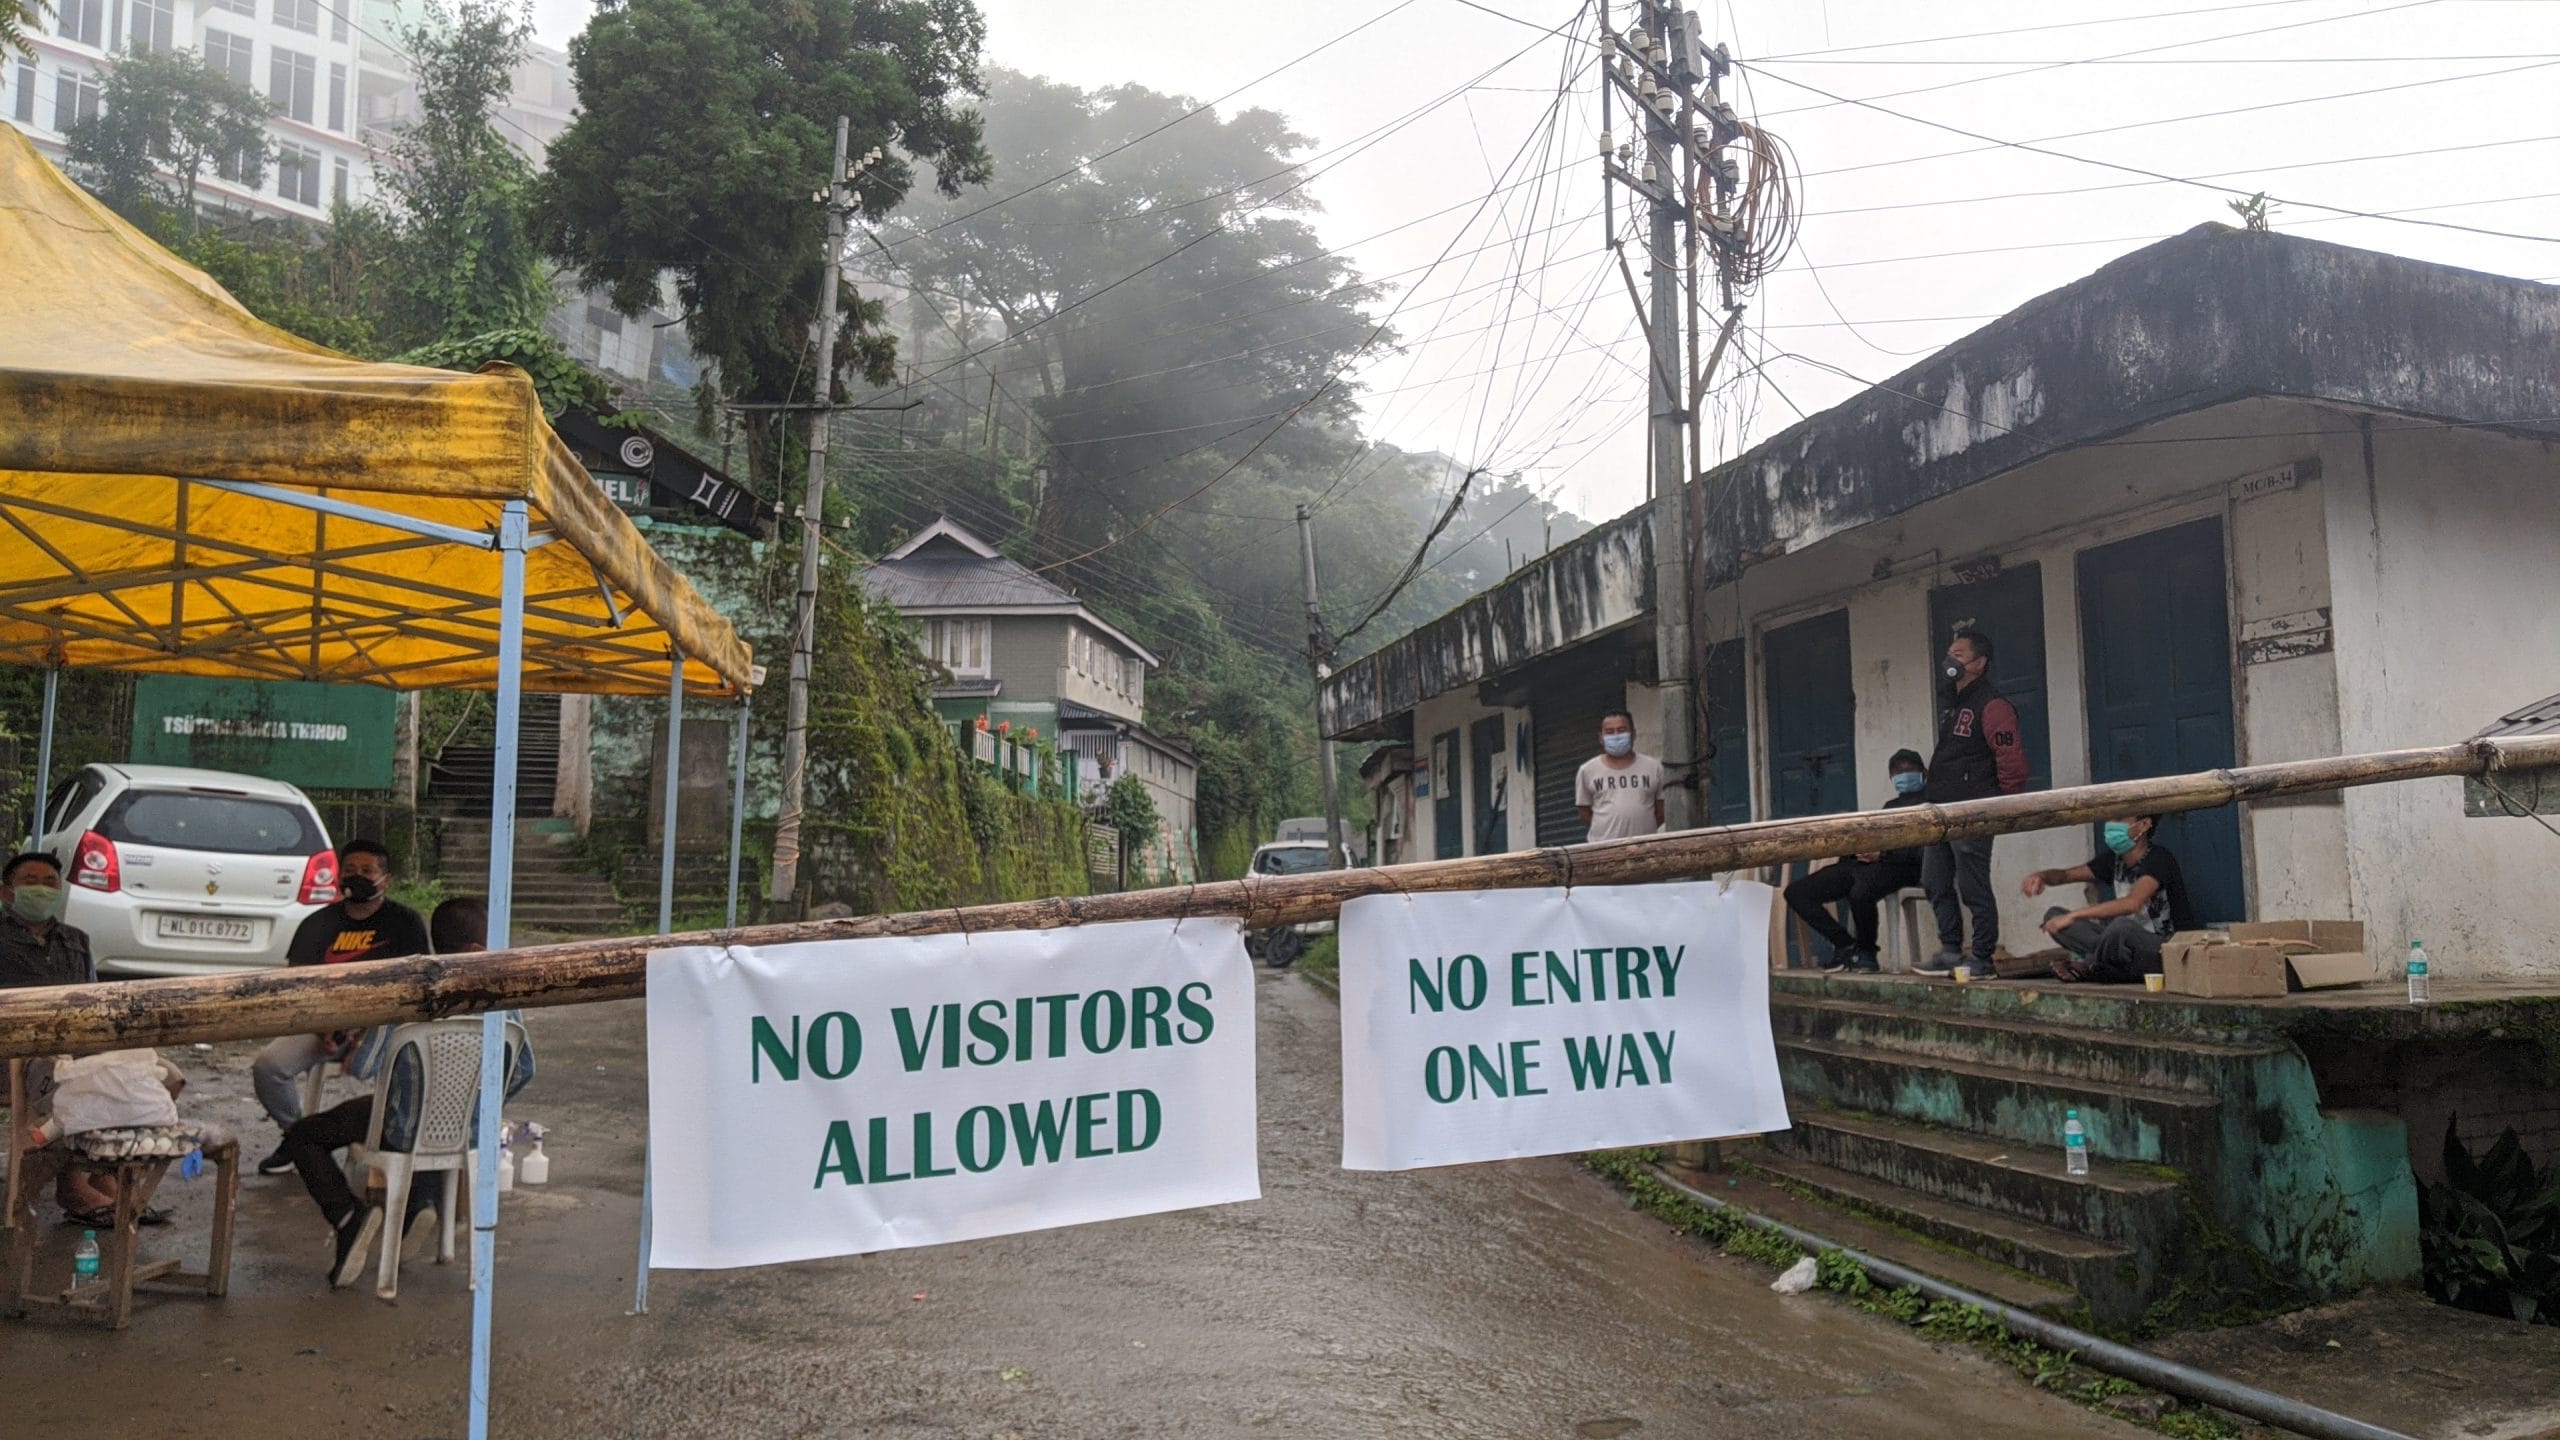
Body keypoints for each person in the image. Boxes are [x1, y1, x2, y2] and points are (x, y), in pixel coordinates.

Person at [277, 896, 536, 1287]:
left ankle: (349, 1217)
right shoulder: (502, 1002)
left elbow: (363, 1067)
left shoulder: (409, 995)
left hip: (402, 1129)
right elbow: (524, 1071)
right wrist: (477, 1109)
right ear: (476, 950)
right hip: (466, 1129)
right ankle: (420, 1204)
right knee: (426, 1122)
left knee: (303, 1135)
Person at [252, 839, 430, 1173]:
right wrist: (324, 1028)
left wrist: (368, 1033)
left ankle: (393, 1144)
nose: (358, 877)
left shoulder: (406, 923)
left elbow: (416, 990)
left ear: (386, 879)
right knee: (268, 1066)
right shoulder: (318, 924)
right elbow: (298, 986)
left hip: (386, 1029)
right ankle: (297, 1137)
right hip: (326, 1028)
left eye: (368, 871)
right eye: (350, 870)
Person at [1914, 629, 2030, 980]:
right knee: (1934, 881)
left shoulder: (1993, 705)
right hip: (1940, 810)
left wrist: (2002, 806)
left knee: (1973, 885)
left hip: (1973, 809)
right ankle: (1951, 950)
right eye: (1950, 653)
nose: (1951, 660)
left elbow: (2010, 758)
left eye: (1960, 654)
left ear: (1979, 663)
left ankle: (1981, 957)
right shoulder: (1953, 703)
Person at [1783, 750, 1930, 974]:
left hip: (1905, 868)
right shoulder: (1890, 807)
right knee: (1798, 892)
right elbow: (1876, 838)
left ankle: (1867, 953)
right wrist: (1860, 850)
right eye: (1898, 771)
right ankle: (1845, 944)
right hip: (1868, 864)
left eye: (1909, 769)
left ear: (1923, 772)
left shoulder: (1930, 804)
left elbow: (1923, 850)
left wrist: (1883, 855)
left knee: (1860, 890)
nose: (1904, 775)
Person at [2022, 815, 2197, 984]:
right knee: (2054, 916)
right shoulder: (2114, 860)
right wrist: (2042, 876)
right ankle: (2102, 967)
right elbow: (2066, 875)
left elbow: (2133, 903)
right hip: (2120, 949)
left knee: (2120, 928)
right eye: (2111, 819)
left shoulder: (2159, 858)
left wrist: (2074, 915)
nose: (2111, 825)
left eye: (2119, 819)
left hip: (2164, 951)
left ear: (2143, 825)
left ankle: (2090, 967)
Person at [1575, 710, 1664, 842]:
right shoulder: (1587, 770)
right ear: (1601, 738)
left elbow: (1661, 810)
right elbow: (1584, 812)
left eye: (1622, 730)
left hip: (1645, 848)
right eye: (1610, 732)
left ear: (1633, 734)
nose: (1616, 736)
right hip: (1603, 849)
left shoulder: (1653, 767)